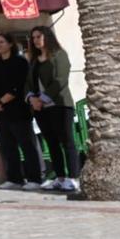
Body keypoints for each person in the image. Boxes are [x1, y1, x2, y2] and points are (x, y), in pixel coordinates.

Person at [25, 25, 79, 192]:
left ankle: (73, 178)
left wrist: (43, 98)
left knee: (67, 141)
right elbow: (27, 83)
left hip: (60, 105)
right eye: (33, 38)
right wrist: (31, 98)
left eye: (39, 36)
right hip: (41, 109)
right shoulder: (34, 60)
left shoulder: (59, 55)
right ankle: (60, 177)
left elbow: (61, 79)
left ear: (47, 37)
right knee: (52, 143)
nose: (36, 41)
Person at [0, 32, 42, 191]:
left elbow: (17, 87)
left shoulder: (20, 62)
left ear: (11, 44)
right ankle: (14, 178)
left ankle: (34, 178)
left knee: (26, 145)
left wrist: (0, 101)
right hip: (0, 112)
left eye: (1, 42)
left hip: (18, 110)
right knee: (7, 146)